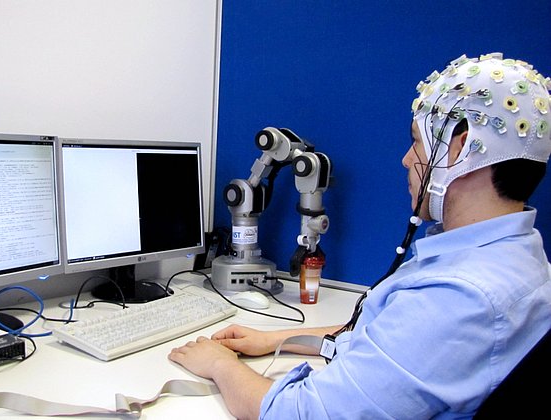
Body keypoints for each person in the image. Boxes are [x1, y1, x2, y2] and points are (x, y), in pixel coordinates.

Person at [168, 52, 551, 419]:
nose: (406, 159)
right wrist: (278, 338)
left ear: (460, 149)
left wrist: (220, 366)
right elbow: (392, 342)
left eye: (416, 141)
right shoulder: (516, 257)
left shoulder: (459, 296)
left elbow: (301, 413)